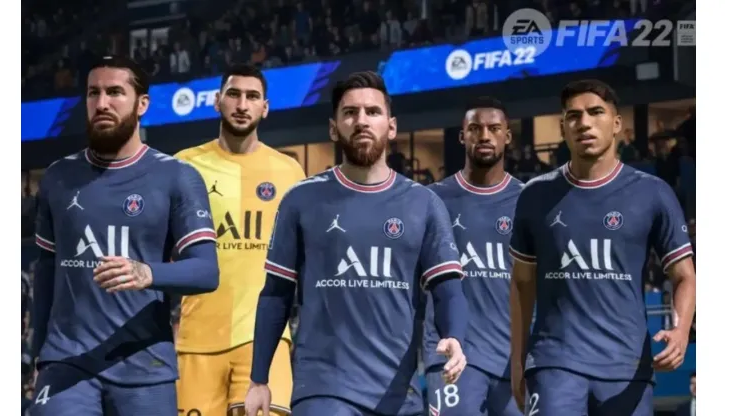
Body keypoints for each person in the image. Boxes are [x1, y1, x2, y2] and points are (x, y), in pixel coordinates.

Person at [244, 71, 469, 416]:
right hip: (322, 390)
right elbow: (275, 293)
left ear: (391, 126)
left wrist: (453, 334)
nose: (361, 121)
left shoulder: (423, 203)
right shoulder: (300, 200)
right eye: (350, 113)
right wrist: (258, 378)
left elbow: (447, 288)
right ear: (333, 128)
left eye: (372, 112)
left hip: (399, 393)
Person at [30, 55, 219, 416]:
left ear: (142, 103)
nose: (101, 103)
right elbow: (47, 270)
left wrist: (148, 273)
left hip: (146, 366)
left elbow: (206, 271)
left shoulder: (178, 177)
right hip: (67, 361)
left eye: (115, 92)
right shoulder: (57, 177)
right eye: (93, 93)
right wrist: (41, 356)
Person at [509, 79, 696, 416]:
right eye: (573, 116)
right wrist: (518, 362)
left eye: (596, 112)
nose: (584, 122)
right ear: (564, 128)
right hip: (554, 363)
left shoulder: (653, 193)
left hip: (627, 368)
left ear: (617, 124)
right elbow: (522, 283)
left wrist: (681, 330)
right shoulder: (534, 195)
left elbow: (685, 275)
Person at [175, 64, 305, 416]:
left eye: (252, 97)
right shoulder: (183, 167)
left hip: (265, 340)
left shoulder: (290, 172)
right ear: (217, 101)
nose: (242, 104)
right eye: (233, 94)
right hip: (197, 340)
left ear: (265, 107)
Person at [424, 97, 523, 416]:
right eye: (475, 128)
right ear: (461, 136)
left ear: (507, 136)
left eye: (494, 129)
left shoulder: (529, 201)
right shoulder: (432, 200)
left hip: (514, 360)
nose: (484, 136)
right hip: (452, 358)